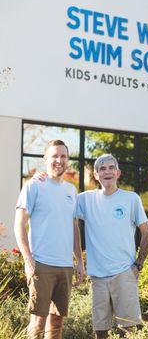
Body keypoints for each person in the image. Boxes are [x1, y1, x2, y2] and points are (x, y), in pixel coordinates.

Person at [76, 154, 148, 339]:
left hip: (124, 273)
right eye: (102, 169)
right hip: (98, 277)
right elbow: (62, 199)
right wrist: (44, 177)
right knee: (100, 331)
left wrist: (138, 265)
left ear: (118, 173)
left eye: (111, 168)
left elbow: (147, 232)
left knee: (128, 331)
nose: (107, 172)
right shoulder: (85, 200)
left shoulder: (131, 199)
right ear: (96, 175)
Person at [14, 139, 84, 339]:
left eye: (63, 156)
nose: (59, 160)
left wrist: (78, 260)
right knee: (37, 322)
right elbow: (19, 224)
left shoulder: (71, 191)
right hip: (41, 264)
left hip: (65, 266)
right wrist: (28, 261)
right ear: (46, 159)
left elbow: (74, 227)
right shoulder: (33, 186)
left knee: (56, 323)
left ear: (68, 160)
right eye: (54, 156)